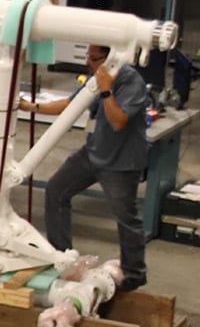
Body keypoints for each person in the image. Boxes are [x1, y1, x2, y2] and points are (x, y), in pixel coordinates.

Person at [18, 43, 151, 292]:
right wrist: (33, 107)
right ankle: (62, 258)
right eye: (87, 57)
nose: (88, 63)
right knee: (56, 190)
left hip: (121, 163)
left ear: (109, 58)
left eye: (93, 58)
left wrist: (106, 91)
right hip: (93, 153)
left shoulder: (131, 82)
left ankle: (135, 272)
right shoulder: (97, 77)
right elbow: (72, 103)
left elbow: (118, 120)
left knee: (126, 217)